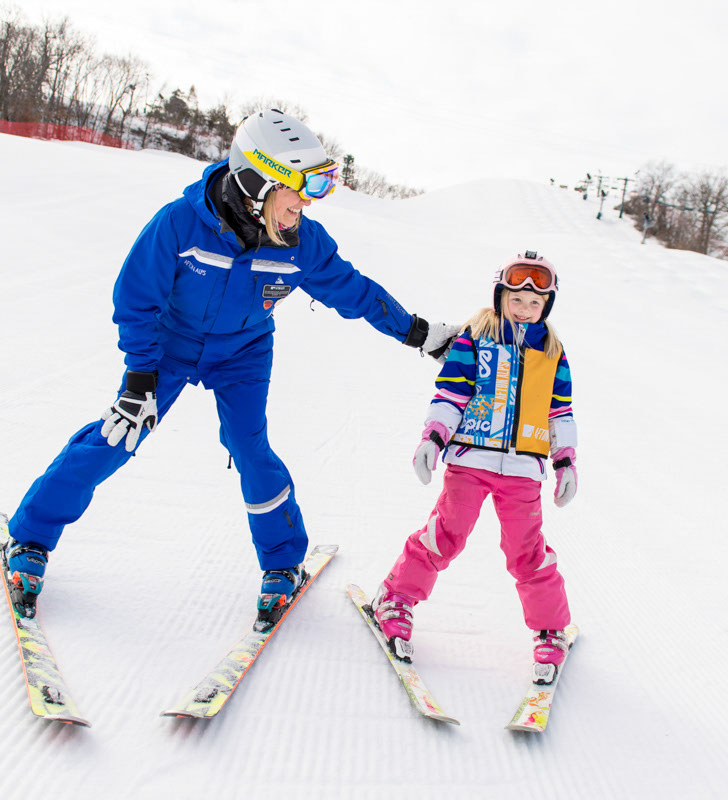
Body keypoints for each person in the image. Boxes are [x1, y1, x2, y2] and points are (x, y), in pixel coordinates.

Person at [2, 109, 459, 621]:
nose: (301, 213)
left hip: (243, 353)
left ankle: (282, 564)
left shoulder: (301, 243)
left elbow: (354, 292)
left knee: (249, 448)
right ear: (255, 183)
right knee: (120, 433)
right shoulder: (179, 224)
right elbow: (135, 300)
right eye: (294, 199)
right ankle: (30, 539)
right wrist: (139, 379)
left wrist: (419, 332)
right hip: (169, 346)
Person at [370, 251, 577, 679]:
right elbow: (451, 395)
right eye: (516, 299)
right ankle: (395, 599)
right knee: (444, 536)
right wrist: (433, 437)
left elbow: (560, 413)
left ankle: (551, 630)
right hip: (470, 461)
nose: (524, 308)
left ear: (546, 306)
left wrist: (565, 462)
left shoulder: (553, 354)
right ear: (501, 296)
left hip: (523, 470)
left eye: (535, 303)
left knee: (528, 554)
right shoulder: (474, 339)